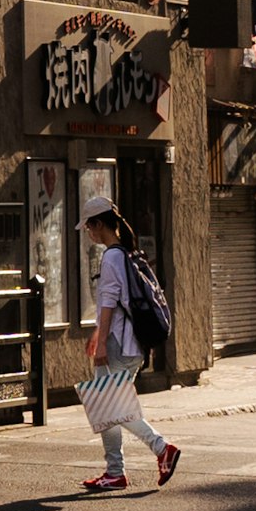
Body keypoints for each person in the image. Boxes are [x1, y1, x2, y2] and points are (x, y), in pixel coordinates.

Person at [80, 205, 178, 492]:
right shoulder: (126, 253)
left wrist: (101, 343)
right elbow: (120, 303)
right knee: (109, 408)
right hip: (130, 342)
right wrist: (98, 332)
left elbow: (109, 302)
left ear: (99, 224)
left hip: (118, 344)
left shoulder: (111, 256)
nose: (88, 232)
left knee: (113, 408)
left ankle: (160, 449)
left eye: (88, 226)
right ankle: (115, 471)